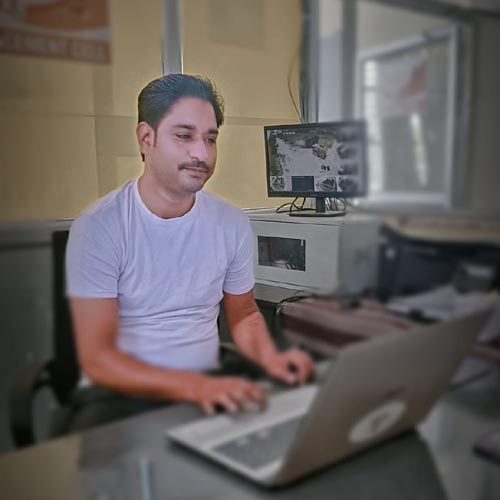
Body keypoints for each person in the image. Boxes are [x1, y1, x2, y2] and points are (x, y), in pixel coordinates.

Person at [65, 74, 314, 428]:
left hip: (207, 383)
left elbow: (244, 315)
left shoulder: (231, 223)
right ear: (146, 138)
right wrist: (195, 388)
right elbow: (99, 359)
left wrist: (271, 359)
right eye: (184, 136)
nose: (201, 153)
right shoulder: (100, 227)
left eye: (210, 139)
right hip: (121, 395)